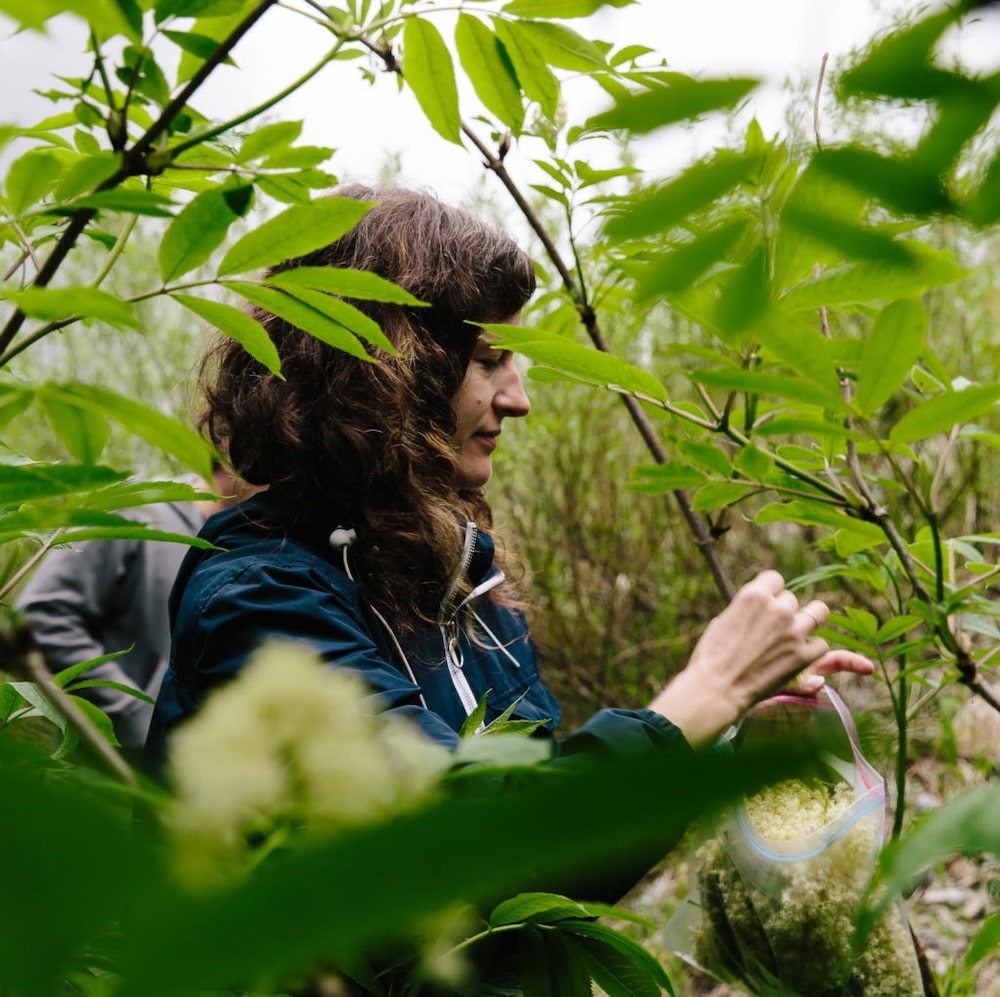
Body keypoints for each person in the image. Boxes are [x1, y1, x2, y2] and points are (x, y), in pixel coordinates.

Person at [145, 182, 872, 812]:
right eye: (489, 361)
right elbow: (471, 836)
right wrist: (707, 688)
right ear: (383, 374)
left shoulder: (453, 569)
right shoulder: (258, 604)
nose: (518, 397)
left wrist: (730, 718)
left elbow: (557, 822)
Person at [17, 462, 254, 757]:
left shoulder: (251, 549)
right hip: (105, 776)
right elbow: (42, 613)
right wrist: (138, 720)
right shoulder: (139, 511)